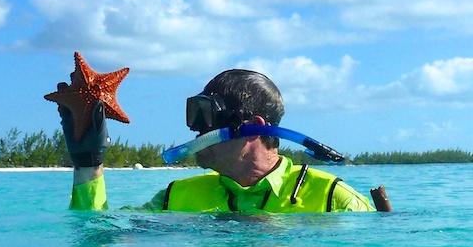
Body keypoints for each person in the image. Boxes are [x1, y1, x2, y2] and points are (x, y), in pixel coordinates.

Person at [56, 68, 375, 212]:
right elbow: (96, 239)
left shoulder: (334, 200)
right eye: (193, 113)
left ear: (254, 127)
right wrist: (89, 164)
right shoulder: (175, 198)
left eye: (207, 115)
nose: (197, 130)